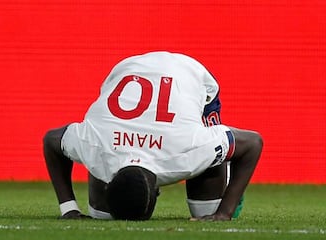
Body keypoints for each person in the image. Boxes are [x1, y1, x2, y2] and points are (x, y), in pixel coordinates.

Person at [43, 51, 263, 221]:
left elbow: (252, 143)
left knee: (209, 207)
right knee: (103, 215)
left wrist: (225, 212)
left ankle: (225, 187)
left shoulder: (188, 151)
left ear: (157, 192)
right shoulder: (94, 147)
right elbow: (52, 140)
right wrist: (68, 209)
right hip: (125, 71)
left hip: (189, 73)